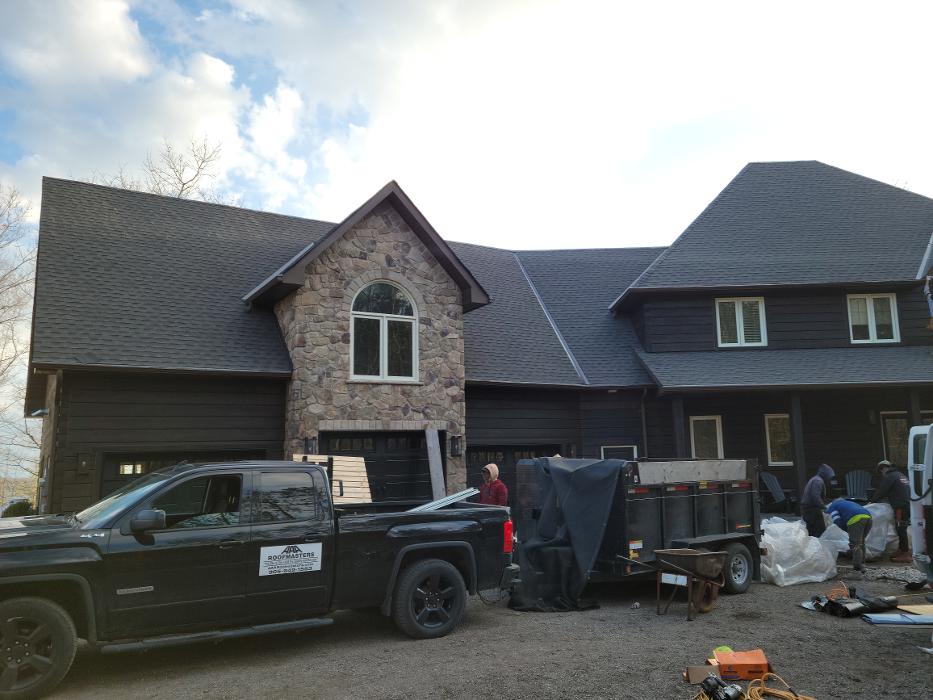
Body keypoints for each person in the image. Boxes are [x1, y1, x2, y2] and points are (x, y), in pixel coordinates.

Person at [872, 459, 912, 563]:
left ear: (883, 468)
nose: (882, 474)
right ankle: (901, 549)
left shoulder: (889, 476)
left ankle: (906, 553)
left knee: (900, 528)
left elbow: (882, 491)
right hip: (907, 504)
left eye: (881, 471)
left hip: (900, 506)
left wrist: (872, 501)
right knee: (901, 527)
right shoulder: (900, 475)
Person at [827, 498, 873, 571]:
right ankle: (862, 563)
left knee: (855, 544)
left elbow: (837, 521)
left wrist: (848, 529)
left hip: (855, 519)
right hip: (868, 517)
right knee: (861, 542)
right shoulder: (847, 503)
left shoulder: (833, 506)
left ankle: (857, 566)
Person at [800, 463, 835, 537]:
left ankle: (811, 542)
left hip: (808, 508)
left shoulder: (815, 479)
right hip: (812, 509)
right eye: (829, 476)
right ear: (825, 474)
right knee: (819, 531)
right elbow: (815, 496)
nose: (829, 479)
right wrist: (824, 507)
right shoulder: (818, 481)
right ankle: (816, 543)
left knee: (811, 530)